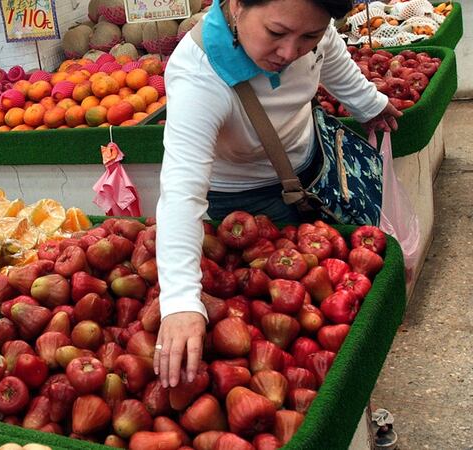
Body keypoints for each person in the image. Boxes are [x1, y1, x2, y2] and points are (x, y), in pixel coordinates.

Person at [153, 0, 402, 388]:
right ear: (236, 6)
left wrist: (369, 104)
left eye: (308, 36)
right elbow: (181, 191)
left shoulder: (309, 30)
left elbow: (330, 54)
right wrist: (181, 302)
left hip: (314, 172)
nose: (289, 53)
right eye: (276, 33)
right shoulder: (198, 76)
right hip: (244, 210)